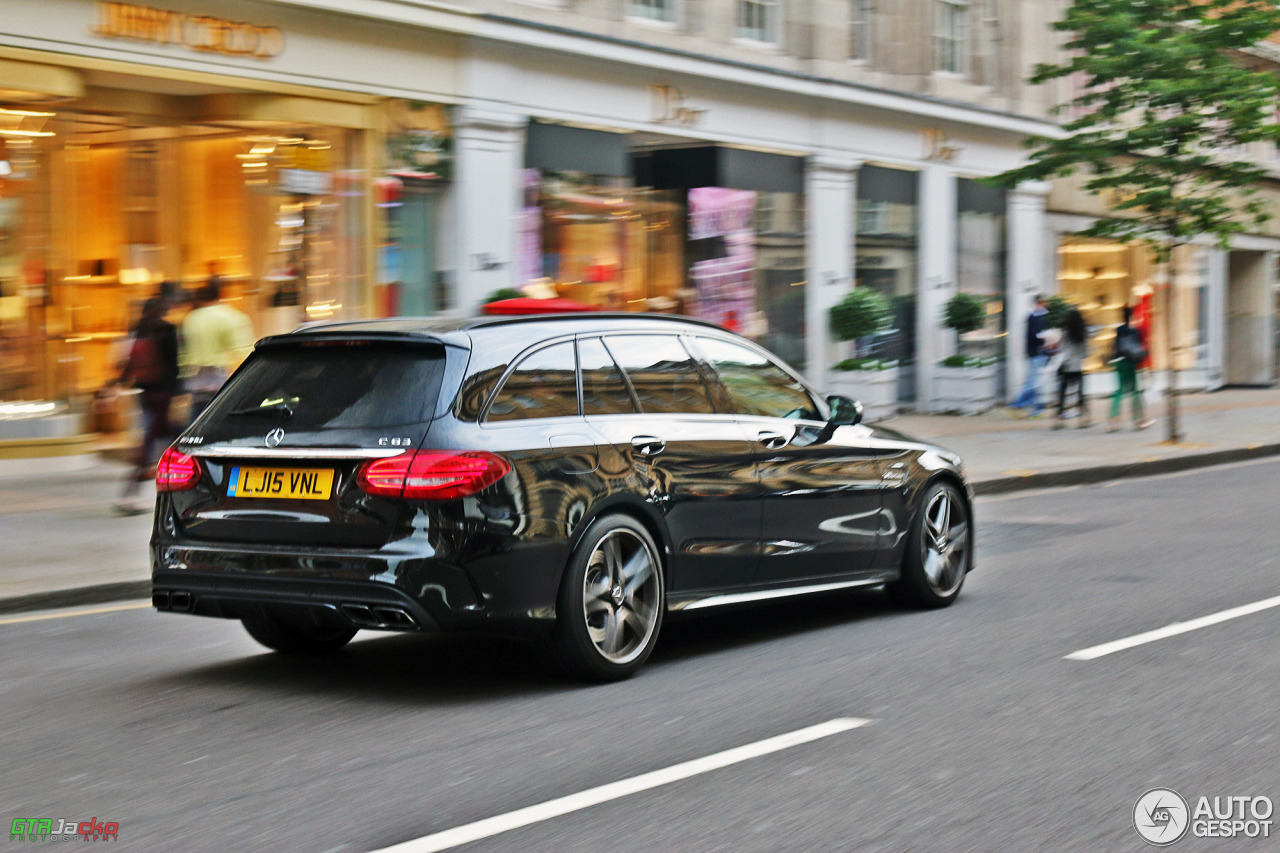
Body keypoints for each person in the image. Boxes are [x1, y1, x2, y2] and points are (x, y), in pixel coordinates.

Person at [116, 297, 180, 514]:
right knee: (162, 440)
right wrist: (177, 392)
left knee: (157, 439)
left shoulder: (138, 329)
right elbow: (175, 365)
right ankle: (130, 494)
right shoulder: (168, 330)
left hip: (145, 392)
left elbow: (126, 361)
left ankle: (137, 492)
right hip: (164, 394)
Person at [181, 279, 255, 421]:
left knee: (197, 424)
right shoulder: (233, 317)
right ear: (222, 294)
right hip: (223, 380)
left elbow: (185, 352)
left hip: (197, 381)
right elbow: (244, 353)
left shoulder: (191, 319)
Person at [1108, 305, 1156, 432]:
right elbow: (1138, 347)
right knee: (1134, 391)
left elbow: (1114, 347)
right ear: (1132, 316)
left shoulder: (1118, 330)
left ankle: (1113, 422)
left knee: (1118, 392)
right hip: (1130, 363)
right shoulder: (1134, 331)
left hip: (1119, 362)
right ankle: (1139, 420)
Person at [1010, 294, 1050, 416]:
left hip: (1038, 353)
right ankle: (1018, 403)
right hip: (1037, 353)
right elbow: (1034, 336)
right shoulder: (1034, 318)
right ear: (1038, 303)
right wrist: (1045, 339)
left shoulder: (1039, 317)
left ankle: (1037, 408)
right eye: (1043, 303)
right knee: (1034, 382)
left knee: (1036, 382)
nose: (1045, 305)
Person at [1052, 306, 1091, 429]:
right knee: (1080, 393)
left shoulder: (1065, 332)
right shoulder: (1082, 333)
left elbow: (1062, 349)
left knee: (1063, 393)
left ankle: (1059, 421)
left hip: (1066, 366)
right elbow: (1086, 352)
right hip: (1077, 366)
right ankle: (1083, 420)